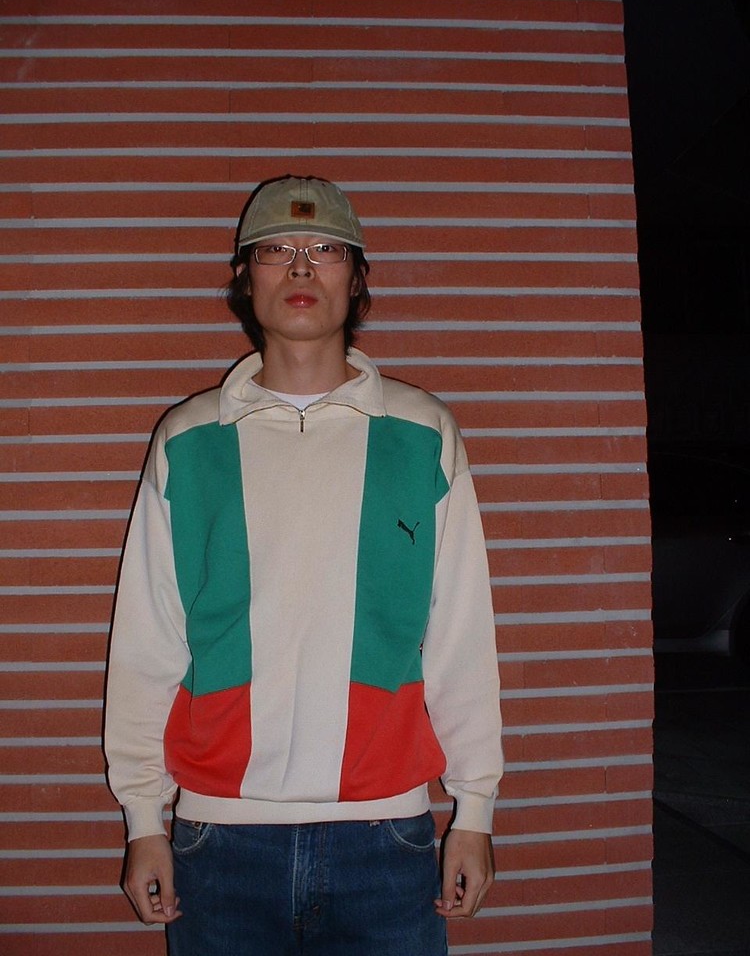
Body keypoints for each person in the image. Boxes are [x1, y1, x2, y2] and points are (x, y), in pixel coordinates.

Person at [104, 175, 503, 955]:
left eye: (325, 249)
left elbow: (462, 636)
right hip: (218, 840)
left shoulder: (423, 434)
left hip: (387, 838)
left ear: (355, 279)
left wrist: (475, 810)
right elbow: (148, 641)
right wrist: (143, 820)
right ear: (244, 278)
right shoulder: (187, 441)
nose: (299, 267)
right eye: (274, 250)